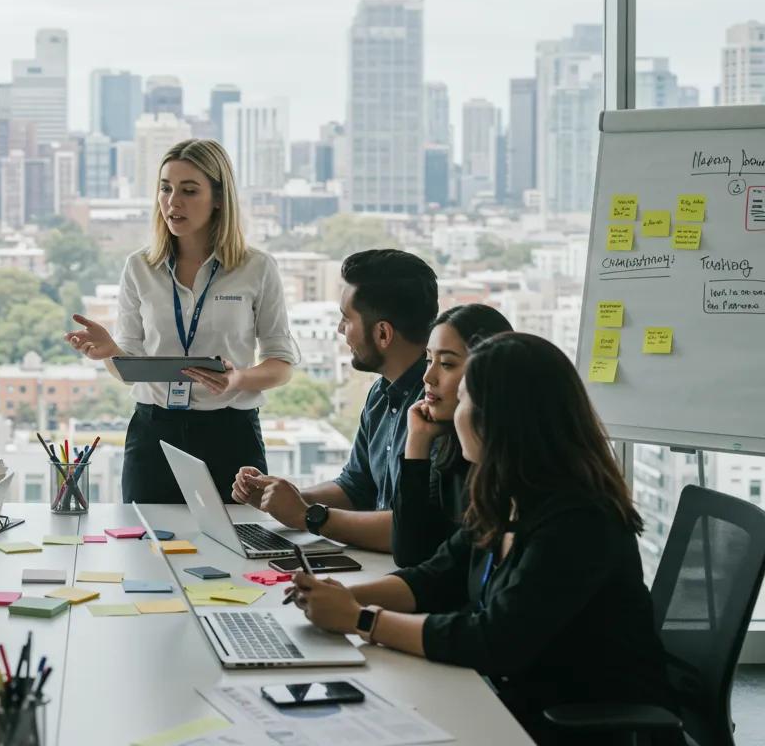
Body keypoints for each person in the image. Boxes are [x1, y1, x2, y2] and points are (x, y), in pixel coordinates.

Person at [288, 333, 676, 743]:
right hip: (513, 695)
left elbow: (494, 640)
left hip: (576, 720)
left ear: (501, 419)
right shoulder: (508, 492)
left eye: (467, 398)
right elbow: (436, 575)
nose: (456, 411)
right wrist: (338, 596)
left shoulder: (579, 521)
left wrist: (360, 619)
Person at [64, 139, 297, 503]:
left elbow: (281, 365)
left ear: (219, 199)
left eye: (189, 191)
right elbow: (127, 370)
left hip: (231, 432)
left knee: (239, 546)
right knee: (145, 548)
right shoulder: (139, 268)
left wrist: (239, 378)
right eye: (165, 188)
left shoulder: (256, 267)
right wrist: (111, 351)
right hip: (154, 432)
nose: (173, 201)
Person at [233, 249, 437, 552]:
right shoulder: (381, 394)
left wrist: (307, 516)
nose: (340, 329)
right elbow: (355, 488)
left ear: (383, 333)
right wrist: (281, 497)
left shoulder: (436, 409)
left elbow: (413, 529)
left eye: (346, 319)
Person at [391, 303, 512, 567]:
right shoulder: (451, 449)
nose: (428, 376)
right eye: (428, 360)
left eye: (446, 363)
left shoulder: (512, 473)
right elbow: (411, 554)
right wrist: (417, 442)